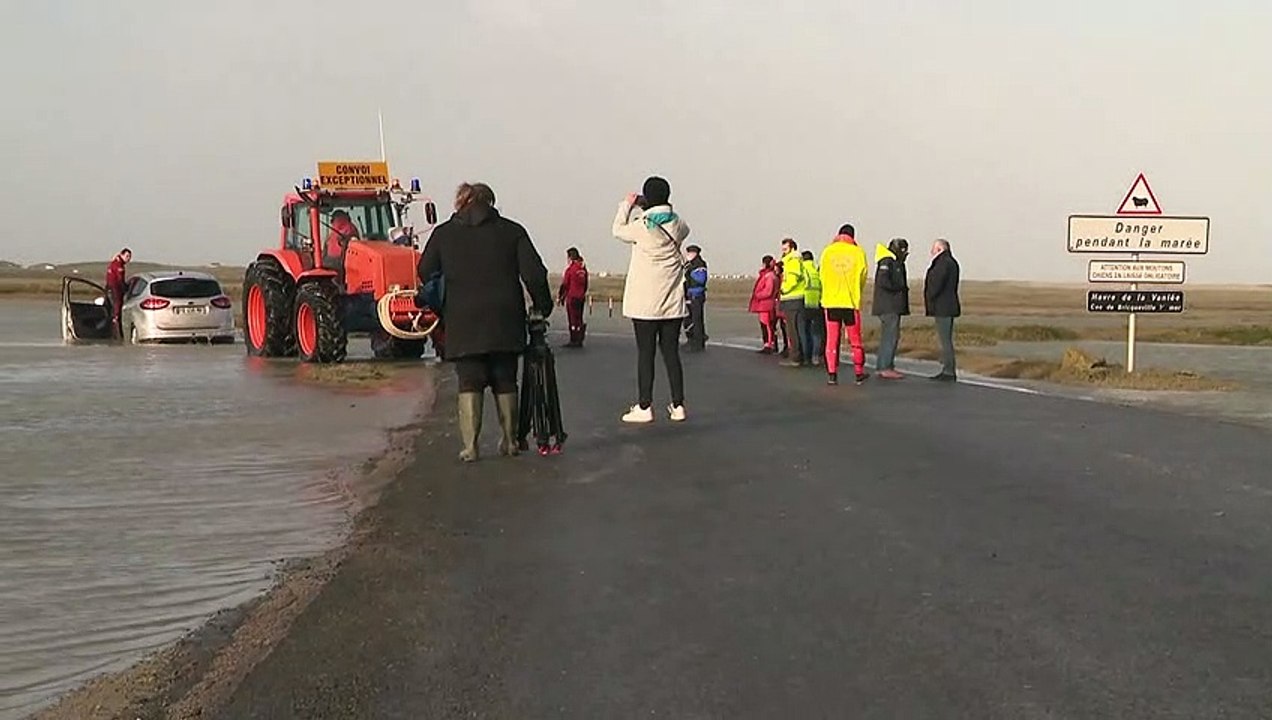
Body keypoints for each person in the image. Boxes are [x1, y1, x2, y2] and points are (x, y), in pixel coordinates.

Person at [418, 182, 553, 462]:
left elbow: (425, 269)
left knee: (469, 381)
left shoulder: (443, 234)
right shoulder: (512, 231)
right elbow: (534, 273)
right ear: (490, 202)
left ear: (460, 202)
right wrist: (543, 306)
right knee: (505, 379)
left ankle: (470, 447)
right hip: (505, 318)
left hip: (462, 319)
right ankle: (510, 441)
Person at [613, 176, 691, 423]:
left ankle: (645, 406)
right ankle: (678, 405)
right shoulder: (678, 224)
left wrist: (628, 205)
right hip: (672, 303)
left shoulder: (641, 226)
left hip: (645, 304)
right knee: (671, 354)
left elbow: (617, 230)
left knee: (645, 355)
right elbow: (681, 226)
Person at [819, 224, 869, 385]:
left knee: (832, 340)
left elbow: (821, 275)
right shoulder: (858, 252)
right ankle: (859, 373)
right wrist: (856, 291)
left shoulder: (827, 251)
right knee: (855, 341)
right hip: (850, 302)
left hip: (831, 301)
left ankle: (832, 374)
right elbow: (863, 275)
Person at [872, 238, 911, 380]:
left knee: (887, 337)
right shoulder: (887, 262)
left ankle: (883, 365)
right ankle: (885, 367)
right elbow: (883, 281)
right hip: (889, 305)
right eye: (903, 250)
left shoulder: (894, 262)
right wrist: (899, 288)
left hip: (892, 305)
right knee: (891, 337)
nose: (905, 253)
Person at [924, 238, 962, 382]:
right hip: (947, 306)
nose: (931, 251)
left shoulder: (943, 263)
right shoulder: (950, 262)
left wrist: (930, 296)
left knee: (945, 341)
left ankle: (948, 371)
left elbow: (936, 284)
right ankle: (948, 369)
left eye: (934, 248)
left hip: (943, 307)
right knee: (946, 340)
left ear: (940, 249)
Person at [777, 238, 807, 367]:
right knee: (797, 329)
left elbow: (793, 278)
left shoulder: (793, 260)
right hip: (795, 298)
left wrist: (784, 289)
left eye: (786, 249)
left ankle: (796, 357)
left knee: (793, 330)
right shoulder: (790, 261)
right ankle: (800, 355)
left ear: (792, 248)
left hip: (792, 298)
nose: (783, 252)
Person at [748, 256, 780, 354]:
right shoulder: (770, 275)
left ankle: (769, 344)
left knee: (767, 325)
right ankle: (770, 344)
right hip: (766, 304)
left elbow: (768, 291)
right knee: (768, 325)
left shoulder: (769, 276)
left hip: (766, 304)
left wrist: (757, 295)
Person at [558, 247, 589, 348]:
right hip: (581, 297)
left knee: (572, 319)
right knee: (579, 318)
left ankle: (573, 339)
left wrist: (560, 297)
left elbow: (565, 285)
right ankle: (580, 338)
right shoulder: (583, 269)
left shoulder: (570, 270)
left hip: (572, 297)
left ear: (570, 257)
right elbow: (586, 284)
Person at [799, 250, 824, 367]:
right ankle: (816, 356)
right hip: (817, 303)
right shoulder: (816, 270)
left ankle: (806, 356)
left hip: (805, 302)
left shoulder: (802, 269)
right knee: (816, 332)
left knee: (804, 331)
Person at [683, 244, 709, 352]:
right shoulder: (688, 265)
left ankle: (698, 342)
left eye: (691, 253)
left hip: (696, 295)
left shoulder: (699, 264)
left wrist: (689, 274)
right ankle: (691, 339)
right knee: (688, 319)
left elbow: (700, 280)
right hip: (688, 295)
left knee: (696, 319)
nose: (688, 254)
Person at [105, 248, 131, 336]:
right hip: (115, 290)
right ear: (121, 255)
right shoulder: (119, 266)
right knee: (116, 312)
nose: (128, 259)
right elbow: (120, 280)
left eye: (129, 257)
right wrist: (125, 288)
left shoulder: (113, 263)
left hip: (109, 289)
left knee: (109, 310)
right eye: (127, 256)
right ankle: (117, 333)